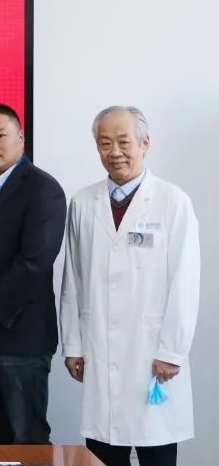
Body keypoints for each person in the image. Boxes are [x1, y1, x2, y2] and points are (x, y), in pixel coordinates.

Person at [60, 106, 200, 466]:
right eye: (105, 143)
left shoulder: (172, 201)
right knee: (102, 452)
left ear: (145, 143)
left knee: (156, 449)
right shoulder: (83, 202)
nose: (115, 152)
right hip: (98, 349)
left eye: (124, 142)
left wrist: (172, 350)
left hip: (151, 352)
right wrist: (73, 344)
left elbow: (185, 282)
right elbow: (72, 280)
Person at [0, 103, 66, 444]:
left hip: (21, 338)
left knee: (26, 440)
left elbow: (35, 262)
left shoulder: (43, 189)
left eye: (0, 135)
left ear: (21, 138)